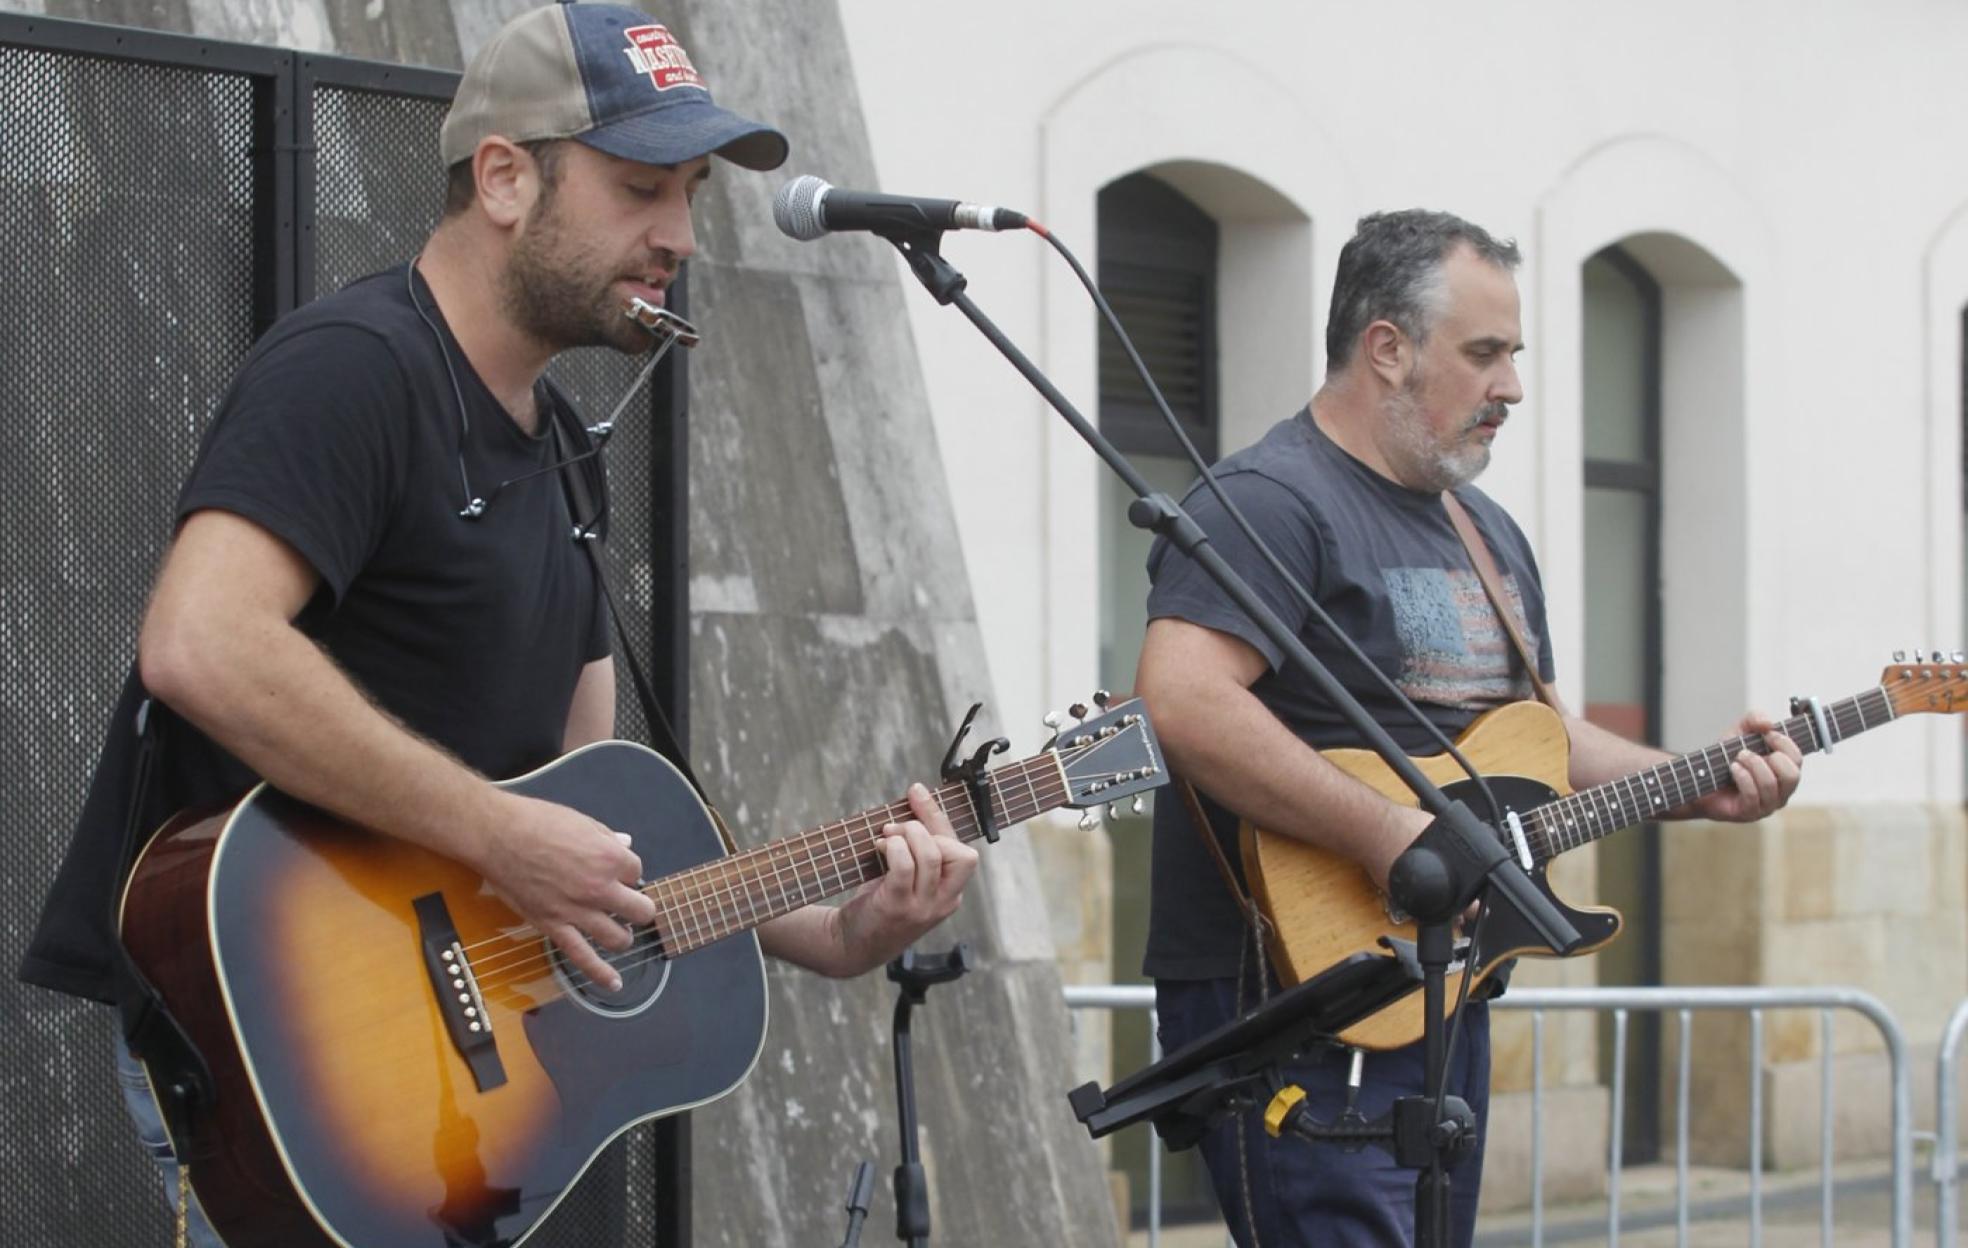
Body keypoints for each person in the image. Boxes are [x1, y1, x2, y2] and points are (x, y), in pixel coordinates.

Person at [16, 6, 977, 1244]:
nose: (679, 236)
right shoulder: (353, 370)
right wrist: (494, 833)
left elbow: (597, 826)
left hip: (478, 1088)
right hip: (290, 1053)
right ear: (507, 177)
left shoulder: (571, 454)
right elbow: (202, 643)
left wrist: (840, 931)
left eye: (688, 195)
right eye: (642, 189)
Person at [1132, 209, 1801, 1247]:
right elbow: (1183, 699)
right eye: (1485, 355)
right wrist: (1389, 836)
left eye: (1514, 356)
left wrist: (1690, 782)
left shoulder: (1484, 531)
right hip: (1296, 1001)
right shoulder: (1268, 503)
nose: (1513, 390)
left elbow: (1535, 737)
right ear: (1387, 349)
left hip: (1443, 990)